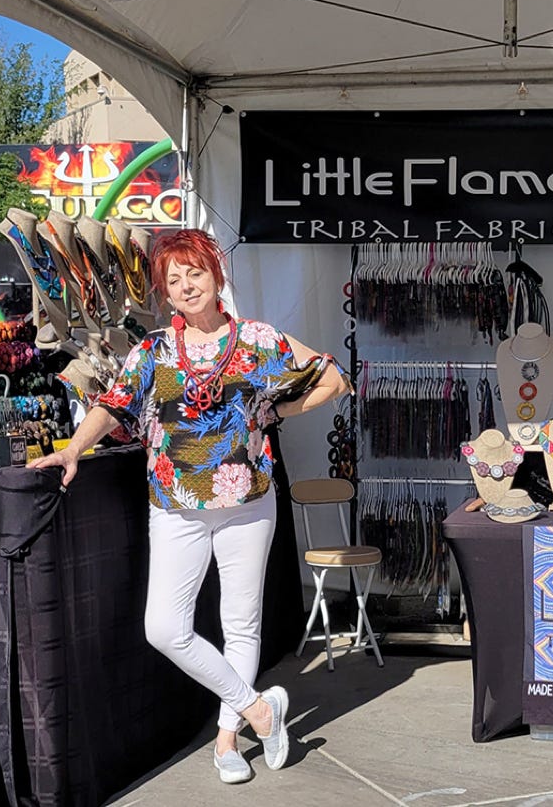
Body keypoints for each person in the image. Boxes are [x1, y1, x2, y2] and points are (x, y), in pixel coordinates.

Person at [29, 228, 347, 784]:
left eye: (194, 273)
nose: (185, 286)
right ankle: (259, 710)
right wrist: (74, 449)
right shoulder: (152, 350)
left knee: (240, 625)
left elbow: (333, 381)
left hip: (248, 502)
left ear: (216, 276)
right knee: (164, 628)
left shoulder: (257, 340)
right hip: (175, 506)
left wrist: (275, 412)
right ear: (165, 293)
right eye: (173, 280)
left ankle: (227, 742)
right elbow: (114, 404)